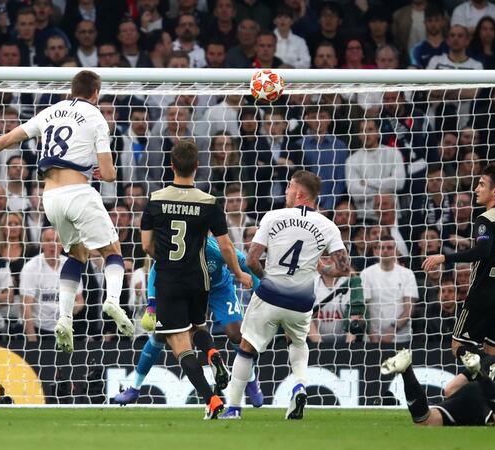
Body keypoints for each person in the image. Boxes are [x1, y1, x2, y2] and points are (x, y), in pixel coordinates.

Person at [0, 70, 135, 353]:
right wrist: (98, 167)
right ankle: (113, 300)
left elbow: (8, 139)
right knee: (112, 252)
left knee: (77, 255)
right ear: (96, 94)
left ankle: (64, 317)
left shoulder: (51, 112)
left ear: (71, 90)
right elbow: (108, 174)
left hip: (50, 198)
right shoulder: (96, 118)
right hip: (78, 192)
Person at [221, 170, 349, 420]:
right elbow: (344, 268)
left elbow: (251, 260)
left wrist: (266, 278)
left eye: (290, 187)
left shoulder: (273, 216)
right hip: (301, 301)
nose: (287, 192)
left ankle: (234, 408)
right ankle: (299, 386)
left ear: (300, 194)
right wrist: (322, 268)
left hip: (270, 294)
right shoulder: (328, 225)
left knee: (247, 346)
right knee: (298, 343)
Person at [140, 139, 253, 420]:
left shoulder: (155, 200)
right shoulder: (209, 203)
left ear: (171, 166)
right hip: (199, 280)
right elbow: (226, 247)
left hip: (169, 280)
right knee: (198, 326)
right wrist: (239, 274)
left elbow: (145, 246)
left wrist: (166, 258)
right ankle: (213, 352)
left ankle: (211, 399)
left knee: (179, 344)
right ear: (197, 168)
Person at [113, 236, 264, 408]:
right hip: (190, 290)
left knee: (236, 334)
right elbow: (157, 269)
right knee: (160, 335)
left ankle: (250, 379)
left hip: (218, 288)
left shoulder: (216, 248)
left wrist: (263, 294)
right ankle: (134, 388)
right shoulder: (179, 247)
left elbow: (246, 264)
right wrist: (152, 303)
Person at [422, 165, 495, 357]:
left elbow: (482, 251)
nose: (476, 189)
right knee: (493, 352)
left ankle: (479, 373)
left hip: (483, 296)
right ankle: (488, 383)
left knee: (458, 347)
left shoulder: (485, 218)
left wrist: (444, 257)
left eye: (481, 184)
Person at [380, 325, 495, 427]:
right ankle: (480, 376)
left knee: (426, 421)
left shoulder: (489, 360)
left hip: (470, 390)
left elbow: (449, 389)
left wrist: (464, 408)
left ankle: (407, 370)